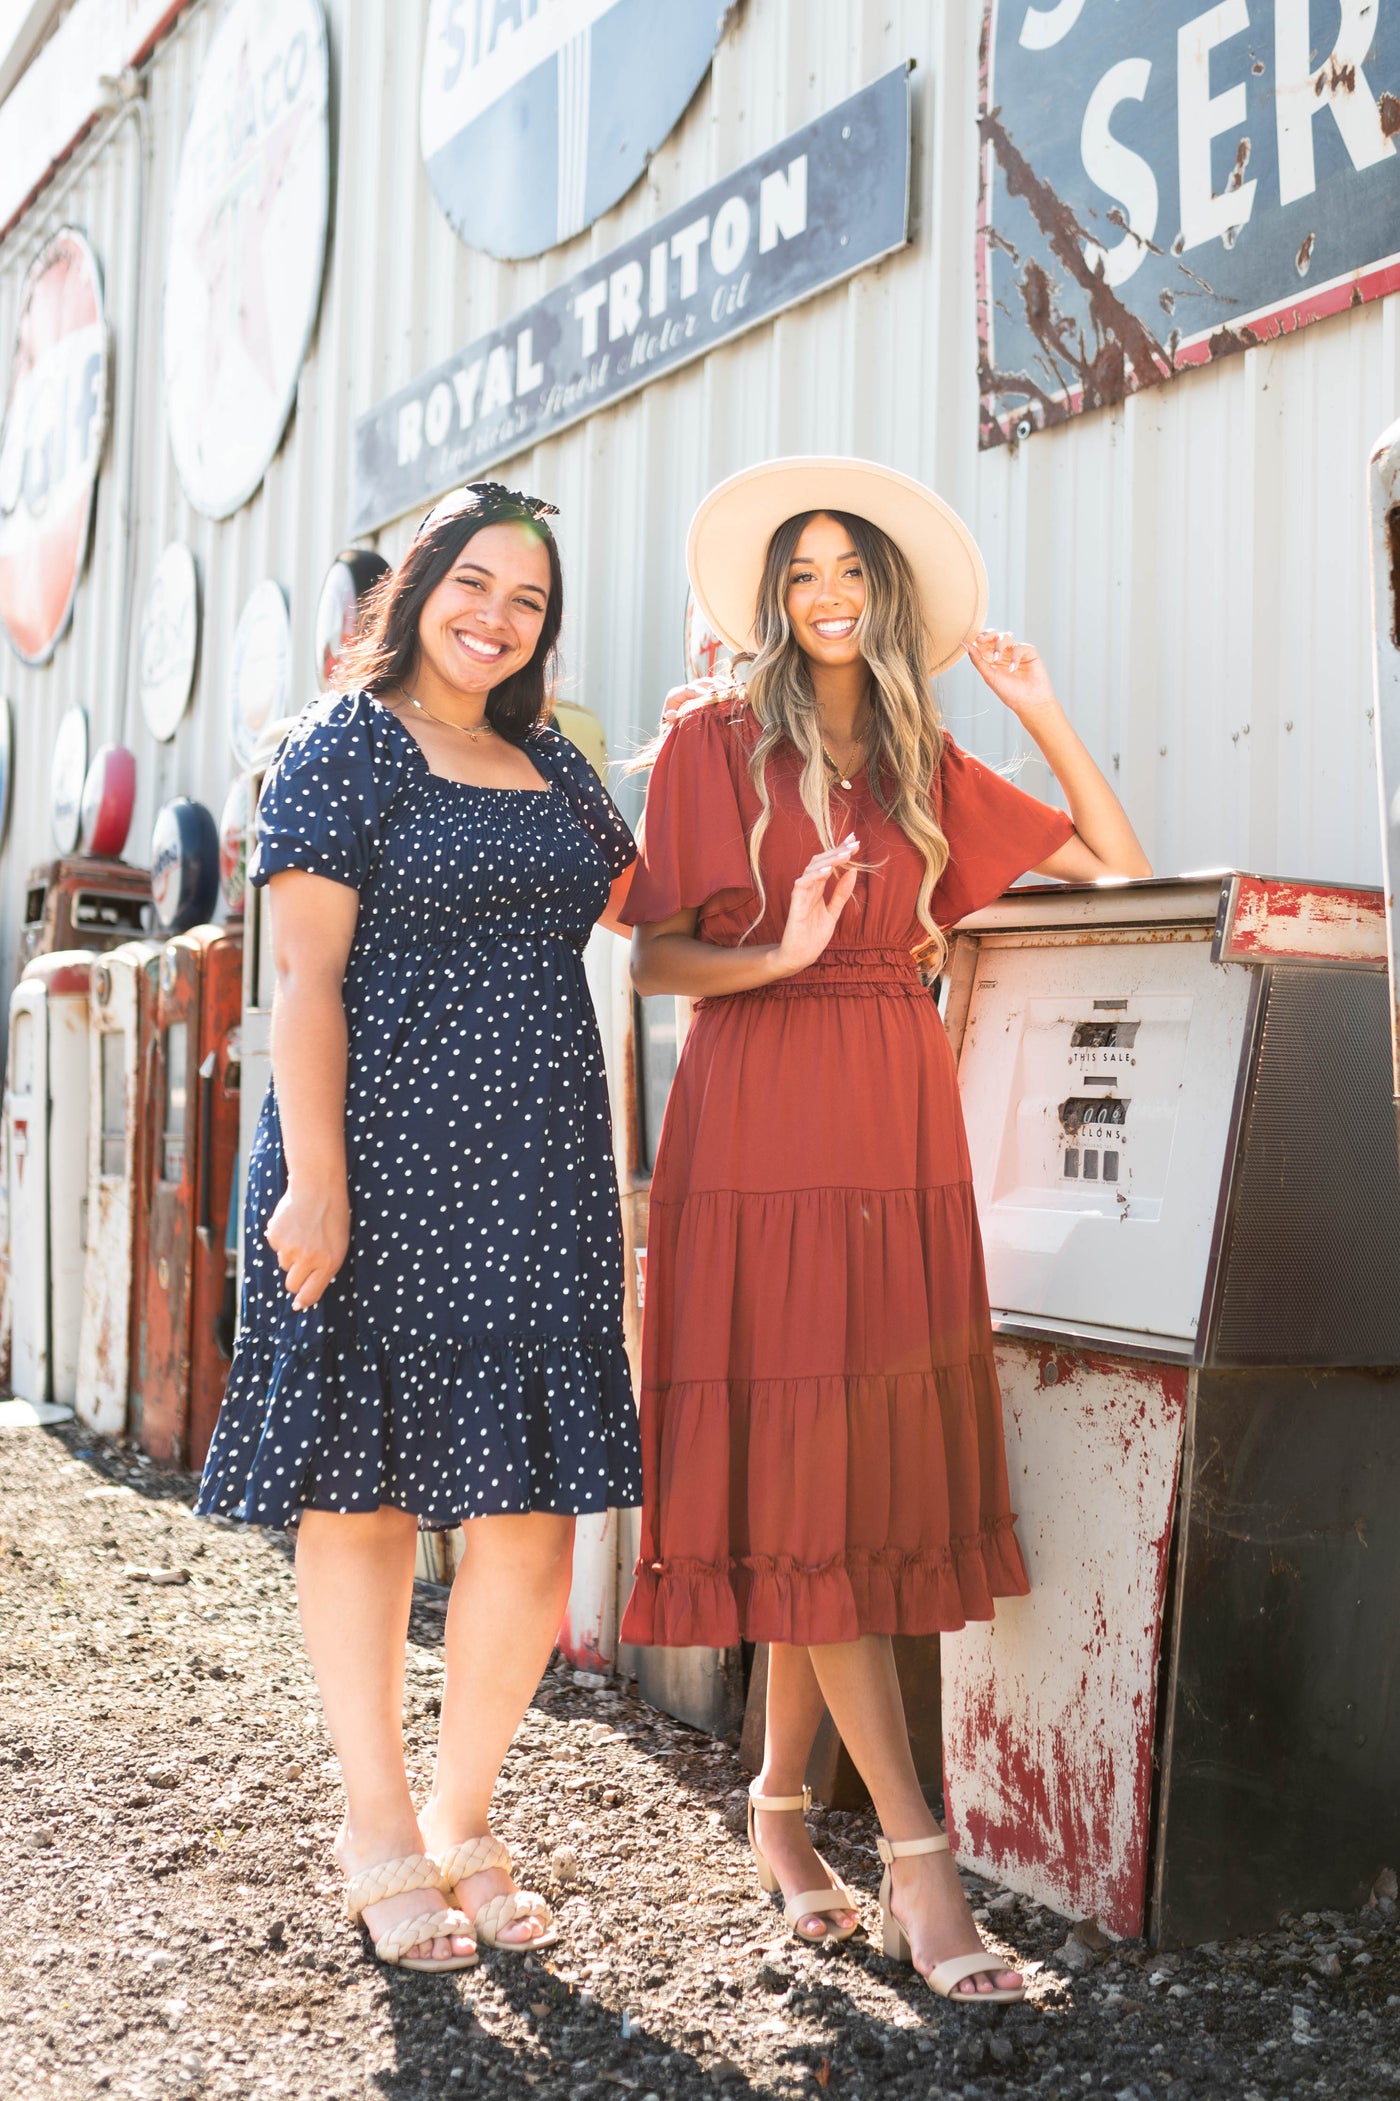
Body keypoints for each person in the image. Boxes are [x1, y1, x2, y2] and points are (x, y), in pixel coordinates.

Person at [619, 457, 1150, 2003]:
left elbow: (1113, 857)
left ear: (887, 592)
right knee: (818, 1467)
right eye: (802, 574)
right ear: (772, 599)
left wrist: (1041, 706)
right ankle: (917, 1859)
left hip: (896, 1119)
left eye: (851, 570)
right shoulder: (711, 739)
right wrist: (779, 948)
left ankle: (780, 1809)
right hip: (761, 1114)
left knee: (829, 1463)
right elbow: (652, 959)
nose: (829, 596)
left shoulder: (921, 753)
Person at [196, 482, 641, 1972]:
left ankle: (465, 1817)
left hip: (541, 1170)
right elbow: (301, 978)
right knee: (368, 1491)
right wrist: (311, 1179)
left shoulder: (558, 763)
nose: (497, 616)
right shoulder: (345, 744)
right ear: (420, 584)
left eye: (529, 599)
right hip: (377, 1157)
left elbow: (647, 913)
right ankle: (377, 1824)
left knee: (534, 1508)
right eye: (475, 582)